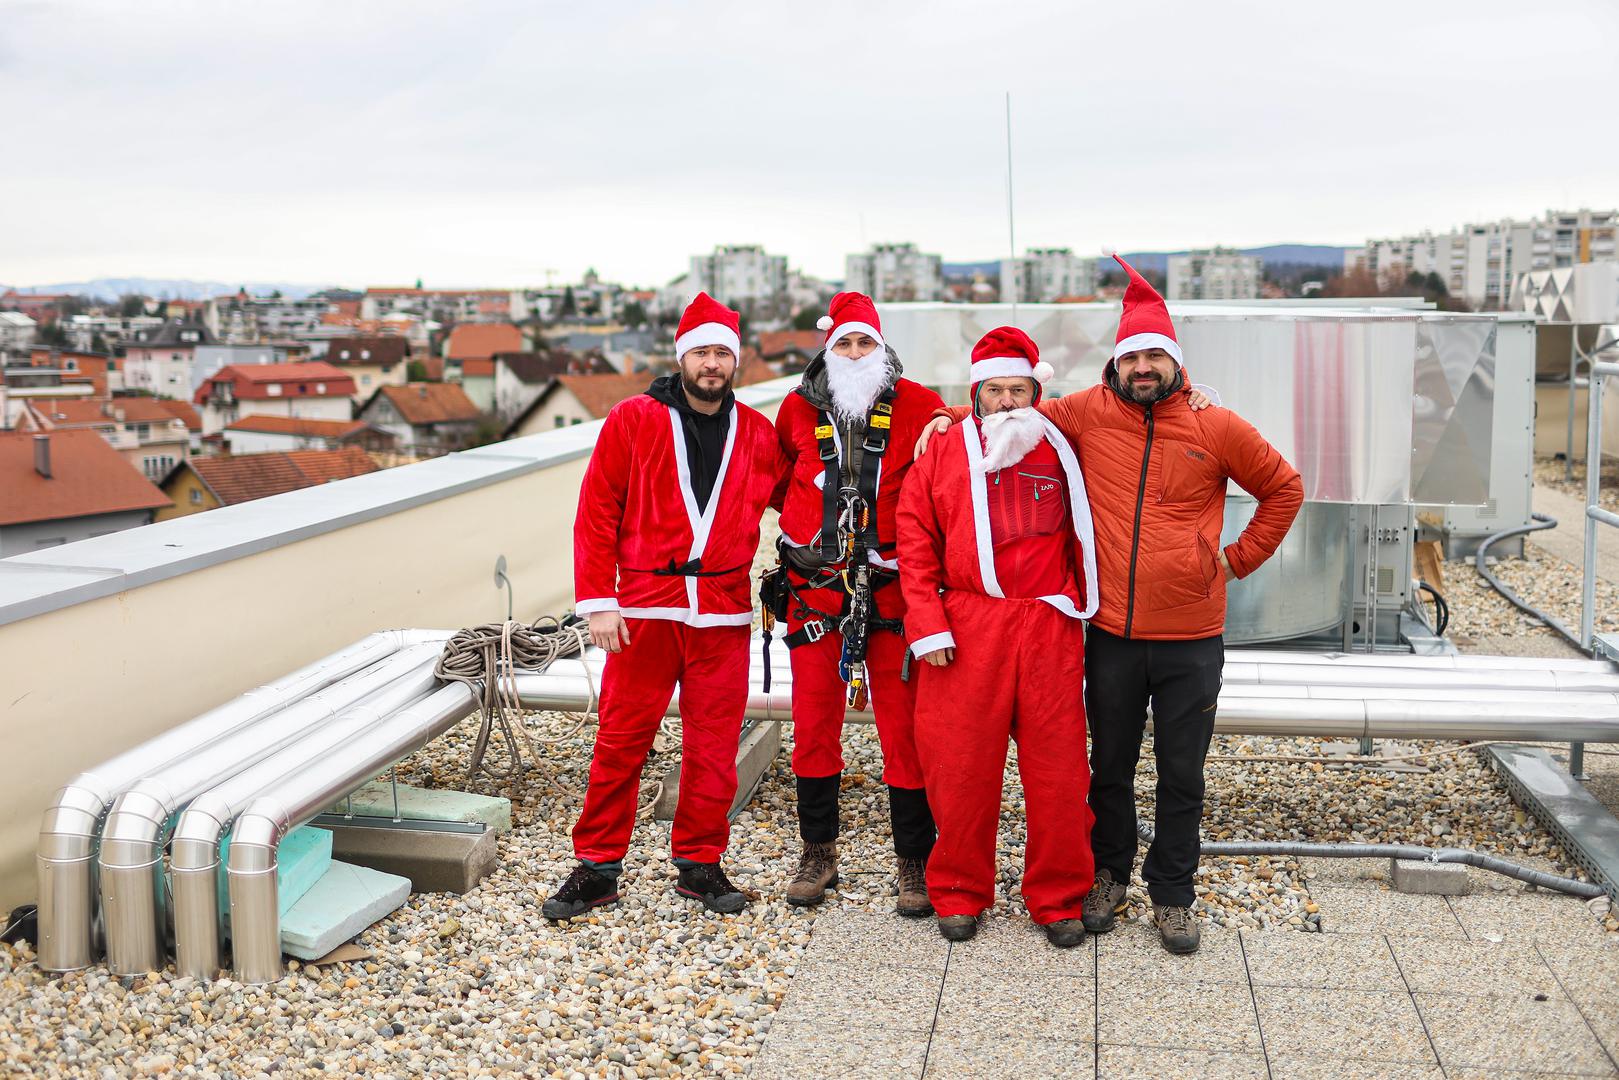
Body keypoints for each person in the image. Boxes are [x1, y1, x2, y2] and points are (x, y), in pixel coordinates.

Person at [916, 255, 1302, 954]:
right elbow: (989, 434)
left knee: (1145, 772)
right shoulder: (1063, 420)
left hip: (1154, 628)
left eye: (1155, 354)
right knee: (1076, 768)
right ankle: (1062, 882)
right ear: (1116, 366)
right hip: (1089, 630)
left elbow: (1285, 489)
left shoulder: (1196, 427)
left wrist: (1234, 560)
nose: (1143, 366)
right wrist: (944, 418)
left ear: (1173, 362)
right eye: (1132, 356)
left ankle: (1141, 894)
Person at [545, 292, 787, 919]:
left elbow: (805, 498)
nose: (712, 364)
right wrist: (600, 601)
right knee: (622, 740)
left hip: (724, 612)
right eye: (702, 351)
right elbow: (597, 510)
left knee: (713, 748)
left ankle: (700, 864)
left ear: (736, 362)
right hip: (645, 609)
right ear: (682, 356)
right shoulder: (633, 419)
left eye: (722, 353)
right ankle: (597, 866)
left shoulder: (758, 434)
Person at [896, 327, 1100, 946]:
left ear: (1036, 393)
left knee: (1060, 772)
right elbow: (913, 539)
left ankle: (1059, 895)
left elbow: (1122, 412)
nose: (1009, 403)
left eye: (1020, 390)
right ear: (976, 394)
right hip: (968, 624)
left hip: (1046, 624)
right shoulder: (941, 451)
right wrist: (926, 625)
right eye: (995, 391)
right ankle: (958, 888)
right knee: (959, 766)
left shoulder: (1063, 447)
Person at [771, 291, 944, 914]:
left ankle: (914, 861)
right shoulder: (795, 409)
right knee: (815, 726)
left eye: (862, 342)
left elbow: (965, 421)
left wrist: (947, 423)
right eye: (843, 343)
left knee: (906, 729)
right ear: (828, 348)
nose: (852, 352)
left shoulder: (919, 403)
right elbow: (767, 476)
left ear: (880, 346)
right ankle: (818, 851)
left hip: (893, 591)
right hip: (816, 591)